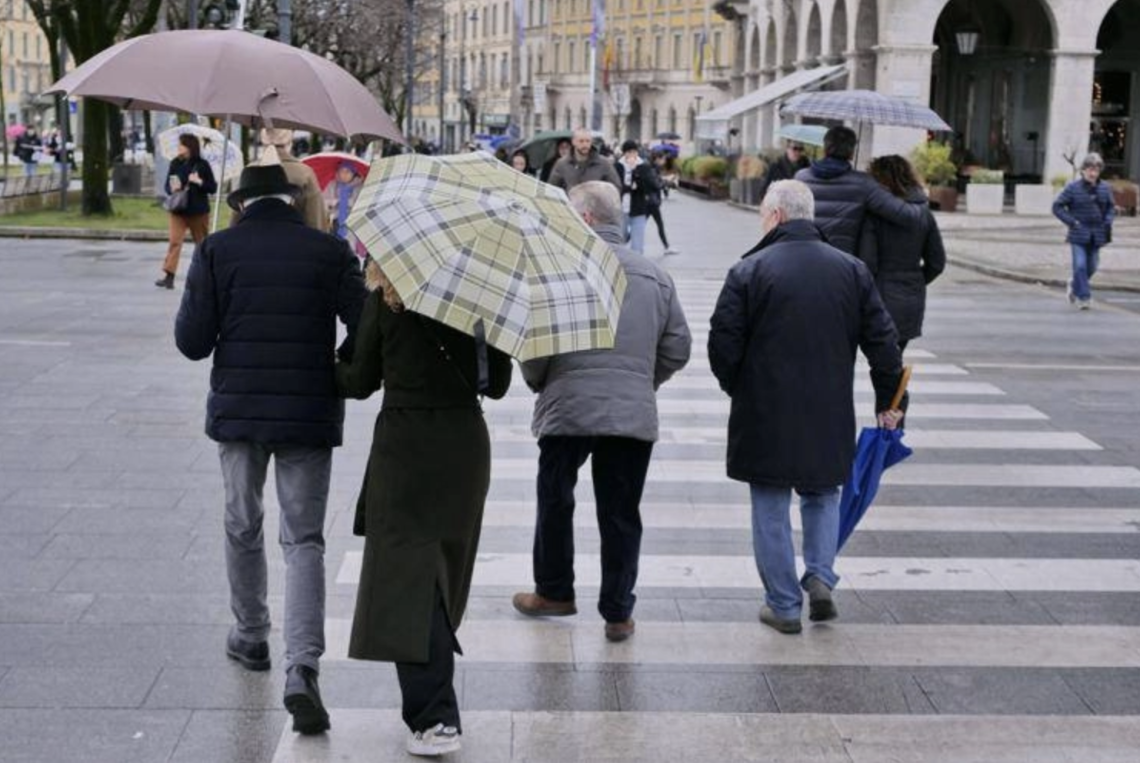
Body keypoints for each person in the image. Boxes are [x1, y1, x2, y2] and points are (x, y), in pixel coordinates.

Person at [174, 161, 367, 736]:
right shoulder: (329, 252)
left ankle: (251, 634)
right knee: (303, 539)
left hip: (240, 410)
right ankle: (301, 666)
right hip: (308, 410)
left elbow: (191, 343)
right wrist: (332, 365)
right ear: (290, 199)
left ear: (237, 204)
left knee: (242, 522)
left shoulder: (217, 252)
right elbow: (365, 326)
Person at [707, 180, 904, 636]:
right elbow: (883, 344)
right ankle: (819, 574)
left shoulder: (749, 270)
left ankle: (783, 604)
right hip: (828, 406)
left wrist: (739, 386)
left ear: (775, 216)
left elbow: (723, 343)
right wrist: (890, 403)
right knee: (822, 495)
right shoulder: (852, 270)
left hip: (765, 409)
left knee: (770, 504)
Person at [336, 260, 512, 758]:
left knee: (408, 580)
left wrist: (331, 361)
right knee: (442, 572)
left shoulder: (387, 299)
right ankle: (434, 705)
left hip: (407, 446)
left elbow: (359, 380)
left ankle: (435, 717)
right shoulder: (482, 300)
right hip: (464, 445)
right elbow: (496, 384)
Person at [512, 181, 691, 643]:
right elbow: (678, 348)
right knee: (620, 511)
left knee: (555, 498)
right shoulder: (655, 276)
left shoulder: (559, 270)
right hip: (631, 413)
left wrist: (541, 383)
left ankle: (554, 591)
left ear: (586, 219)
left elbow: (534, 347)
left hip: (567, 406)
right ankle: (617, 612)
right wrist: (641, 382)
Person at [795, 126, 926, 257]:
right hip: (841, 263)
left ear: (824, 149)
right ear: (852, 153)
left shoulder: (800, 177)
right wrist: (919, 194)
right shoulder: (864, 183)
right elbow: (907, 215)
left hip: (802, 256)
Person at [861, 155, 946, 352]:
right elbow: (937, 262)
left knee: (882, 365)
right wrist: (915, 280)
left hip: (879, 298)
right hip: (910, 298)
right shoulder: (924, 213)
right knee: (893, 364)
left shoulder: (874, 214)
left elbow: (868, 262)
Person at [1053, 152, 1115, 310]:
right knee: (1080, 265)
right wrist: (1072, 222)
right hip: (1078, 233)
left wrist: (1108, 220)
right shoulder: (1072, 188)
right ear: (1083, 171)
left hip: (1098, 234)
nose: (1093, 173)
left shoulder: (1105, 188)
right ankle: (1084, 297)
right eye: (1090, 170)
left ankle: (1074, 284)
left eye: (1096, 170)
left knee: (1092, 266)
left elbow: (1110, 207)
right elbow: (1057, 207)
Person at [156, 133, 217, 290]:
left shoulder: (202, 165)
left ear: (190, 147)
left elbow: (212, 187)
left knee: (202, 244)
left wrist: (199, 181)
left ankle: (207, 275)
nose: (178, 148)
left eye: (181, 145)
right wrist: (172, 188)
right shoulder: (175, 163)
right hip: (178, 210)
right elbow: (167, 186)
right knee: (174, 242)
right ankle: (169, 276)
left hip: (198, 211)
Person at [246, 128, 328, 231]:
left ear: (263, 142)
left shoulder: (249, 171)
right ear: (290, 143)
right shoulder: (305, 173)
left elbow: (237, 217)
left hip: (253, 239)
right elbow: (315, 219)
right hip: (295, 240)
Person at [614, 139, 662, 254]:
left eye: (634, 152)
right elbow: (616, 185)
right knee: (620, 243)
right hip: (620, 210)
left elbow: (650, 186)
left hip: (639, 209)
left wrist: (635, 171)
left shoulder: (643, 167)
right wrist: (628, 188)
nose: (631, 155)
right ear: (624, 153)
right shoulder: (618, 166)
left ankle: (636, 270)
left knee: (637, 247)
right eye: (628, 152)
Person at [548, 128, 621, 193]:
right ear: (573, 142)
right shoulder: (562, 164)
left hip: (595, 207)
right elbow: (552, 189)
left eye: (587, 141)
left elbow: (616, 188)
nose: (585, 145)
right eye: (581, 141)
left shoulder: (604, 163)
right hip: (570, 206)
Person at [323, 161, 363, 241]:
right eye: (341, 171)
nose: (344, 174)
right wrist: (333, 202)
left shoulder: (359, 187)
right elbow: (323, 201)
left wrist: (345, 201)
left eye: (348, 171)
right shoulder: (332, 184)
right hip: (333, 221)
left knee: (349, 246)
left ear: (353, 173)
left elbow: (360, 204)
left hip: (352, 222)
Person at [647, 151, 678, 255]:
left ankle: (667, 246)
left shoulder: (654, 168)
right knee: (657, 224)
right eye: (663, 159)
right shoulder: (652, 169)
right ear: (657, 159)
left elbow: (658, 181)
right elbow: (656, 184)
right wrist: (667, 182)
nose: (664, 161)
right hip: (651, 202)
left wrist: (666, 182)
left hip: (652, 202)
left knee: (646, 224)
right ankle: (667, 247)